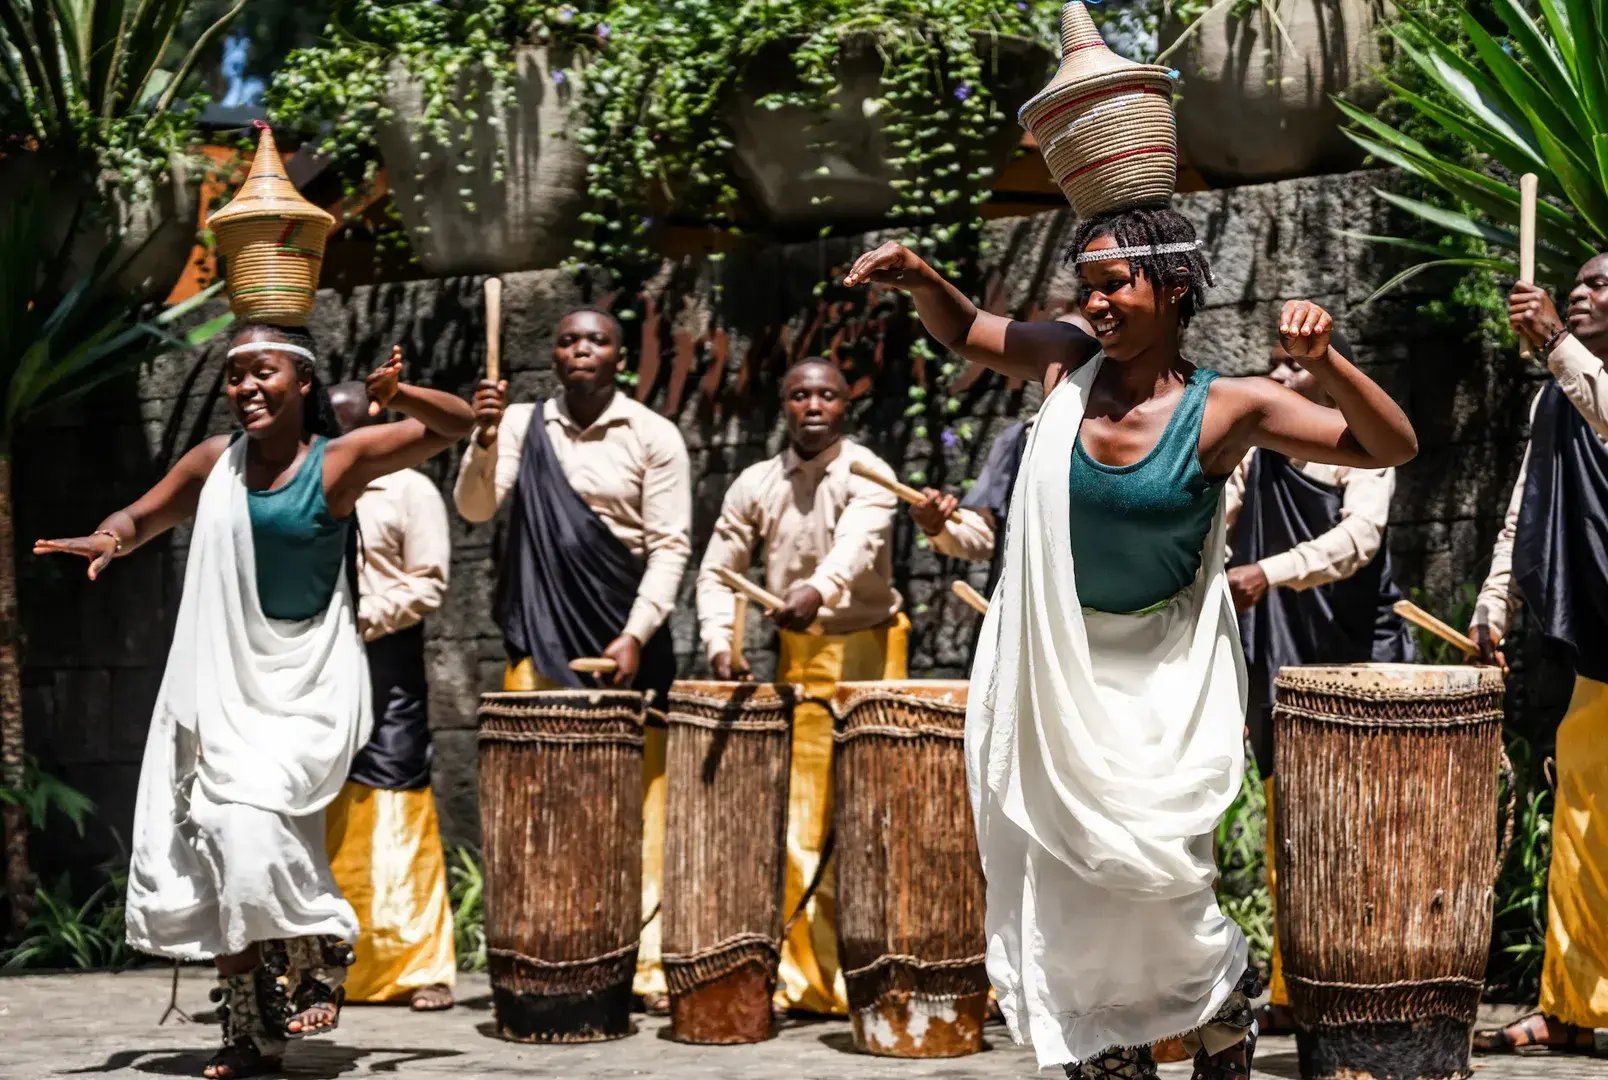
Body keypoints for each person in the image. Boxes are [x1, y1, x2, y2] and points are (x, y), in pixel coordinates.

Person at [844, 207, 1416, 1080]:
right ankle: (1105, 1044)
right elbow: (965, 330)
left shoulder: (1228, 408)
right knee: (1070, 875)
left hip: (1161, 681)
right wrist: (921, 276)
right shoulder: (1063, 359)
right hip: (1051, 665)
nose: (1096, 303)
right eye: (1089, 287)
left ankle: (1220, 997)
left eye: (1116, 285)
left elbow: (1389, 446)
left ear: (1174, 288)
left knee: (1158, 877)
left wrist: (1324, 362)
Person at [34, 324, 474, 1079]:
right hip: (227, 682)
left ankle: (317, 943)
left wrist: (397, 396)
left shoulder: (342, 461)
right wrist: (108, 539)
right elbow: (141, 518)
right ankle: (248, 1032)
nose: (244, 388)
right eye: (234, 376)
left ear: (302, 382)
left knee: (246, 821)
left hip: (308, 687)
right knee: (219, 834)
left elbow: (460, 424)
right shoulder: (215, 464)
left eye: (261, 372)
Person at [453, 307, 692, 1012]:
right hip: (541, 634)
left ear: (619, 356)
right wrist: (483, 437)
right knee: (543, 807)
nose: (582, 349)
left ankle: (644, 960)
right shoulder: (522, 425)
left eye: (597, 339)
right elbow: (473, 510)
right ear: (552, 356)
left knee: (640, 809)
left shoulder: (655, 435)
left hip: (628, 643)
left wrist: (636, 633)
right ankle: (554, 951)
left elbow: (671, 545)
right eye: (568, 340)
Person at [695, 357, 907, 1016]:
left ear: (846, 405)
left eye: (827, 395)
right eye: (799, 395)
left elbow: (858, 545)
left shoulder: (870, 472)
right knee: (801, 823)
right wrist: (720, 645)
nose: (813, 406)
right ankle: (804, 980)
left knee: (872, 821)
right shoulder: (755, 483)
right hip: (798, 656)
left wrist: (819, 590)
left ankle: (874, 975)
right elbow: (719, 570)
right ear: (783, 406)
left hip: (872, 651)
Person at [1221, 329, 1414, 1034]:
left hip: (1353, 650)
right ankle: (1283, 985)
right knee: (1282, 820)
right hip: (1277, 647)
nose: (1275, 370)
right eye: (1271, 361)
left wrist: (1267, 571)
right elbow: (1219, 520)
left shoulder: (1362, 453)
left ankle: (1359, 977)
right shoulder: (1254, 449)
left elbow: (1358, 542)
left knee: (1358, 826)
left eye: (1292, 363)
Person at [1468, 252, 1608, 1056]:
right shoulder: (1554, 398)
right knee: (1581, 835)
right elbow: (1527, 510)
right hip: (1595, 644)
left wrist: (1557, 340)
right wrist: (1494, 601)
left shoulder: (1573, 372)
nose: (1580, 294)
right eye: (1575, 285)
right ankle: (1571, 1006)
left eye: (1599, 286)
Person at [322, 382, 457, 1013]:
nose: (344, 441)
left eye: (353, 428)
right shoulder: (310, 488)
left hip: (387, 661)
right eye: (332, 428)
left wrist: (360, 617)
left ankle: (421, 966)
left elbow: (429, 584)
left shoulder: (409, 489)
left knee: (397, 804)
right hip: (318, 669)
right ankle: (327, 967)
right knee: (327, 811)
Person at [911, 312, 1094, 590]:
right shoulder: (1018, 439)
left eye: (1079, 358)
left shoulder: (1140, 433)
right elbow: (985, 536)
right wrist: (939, 525)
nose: (1063, 369)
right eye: (1051, 359)